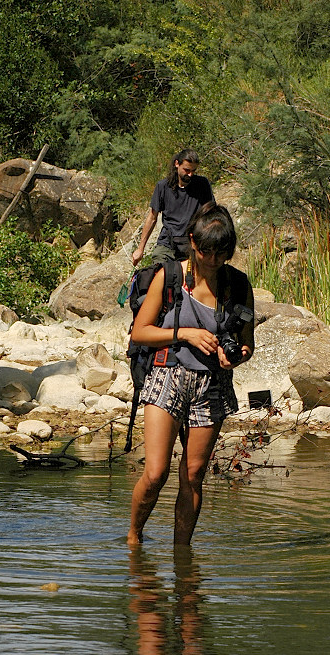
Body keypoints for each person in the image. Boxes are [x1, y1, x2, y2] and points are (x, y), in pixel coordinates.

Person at [127, 202, 254, 546]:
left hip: (212, 384)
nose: (212, 260)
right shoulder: (168, 277)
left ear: (230, 250)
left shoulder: (238, 286)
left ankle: (182, 554)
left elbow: (247, 344)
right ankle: (134, 538)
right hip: (167, 374)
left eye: (221, 253)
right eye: (205, 252)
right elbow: (140, 332)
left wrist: (236, 358)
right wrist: (185, 333)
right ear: (192, 242)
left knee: (193, 475)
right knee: (156, 473)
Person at [132, 148, 214, 267]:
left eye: (193, 171)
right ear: (177, 164)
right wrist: (140, 249)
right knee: (158, 272)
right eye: (186, 170)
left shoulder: (202, 184)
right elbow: (152, 218)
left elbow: (211, 213)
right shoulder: (163, 186)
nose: (190, 174)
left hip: (192, 243)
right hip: (167, 242)